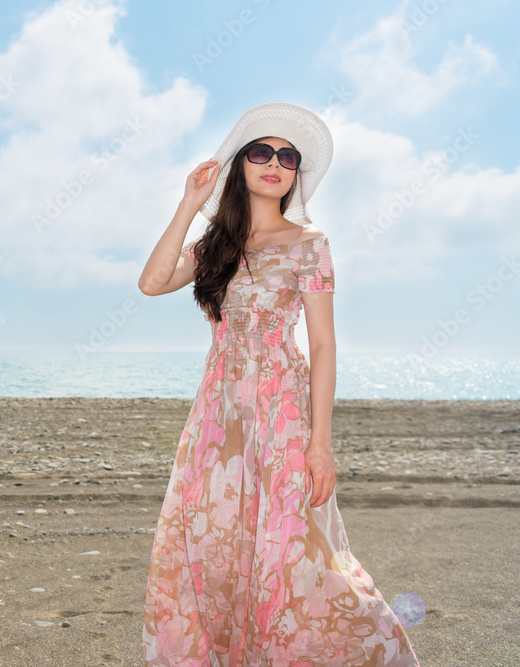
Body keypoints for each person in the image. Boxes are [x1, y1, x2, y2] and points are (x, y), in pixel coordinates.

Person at [137, 102, 420, 665]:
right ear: (240, 165)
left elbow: (322, 346)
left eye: (287, 157)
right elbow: (151, 282)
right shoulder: (217, 245)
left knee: (296, 545)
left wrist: (321, 443)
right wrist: (190, 204)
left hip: (281, 410)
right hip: (217, 419)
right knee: (216, 543)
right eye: (261, 152)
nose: (275, 163)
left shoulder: (309, 243)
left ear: (295, 174)